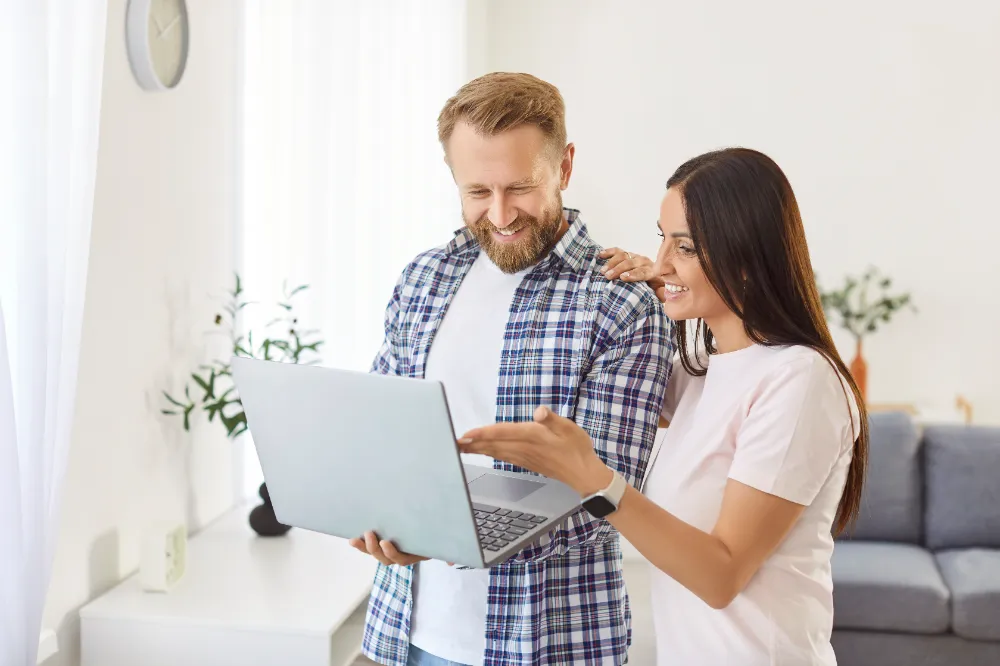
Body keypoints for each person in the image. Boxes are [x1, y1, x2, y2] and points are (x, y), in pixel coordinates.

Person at [459, 147, 869, 665]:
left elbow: (721, 577)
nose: (661, 261)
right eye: (662, 238)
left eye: (688, 247)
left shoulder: (800, 379)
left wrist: (595, 480)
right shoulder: (699, 371)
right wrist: (648, 294)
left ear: (747, 253)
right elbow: (605, 379)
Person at [349, 72, 673, 666]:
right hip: (405, 635)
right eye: (477, 191)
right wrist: (376, 511)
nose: (500, 215)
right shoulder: (422, 280)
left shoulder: (619, 304)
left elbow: (608, 499)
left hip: (548, 646)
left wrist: (446, 531)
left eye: (519, 187)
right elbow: (383, 432)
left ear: (565, 167)